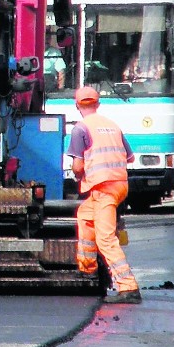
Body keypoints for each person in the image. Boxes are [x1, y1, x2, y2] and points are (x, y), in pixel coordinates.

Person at [67, 86, 141, 304]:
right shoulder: (112, 126)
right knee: (85, 216)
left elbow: (78, 166)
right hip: (118, 184)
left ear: (77, 105)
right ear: (97, 104)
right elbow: (130, 158)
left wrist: (80, 174)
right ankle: (88, 269)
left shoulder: (80, 129)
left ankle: (129, 288)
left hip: (103, 188)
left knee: (106, 238)